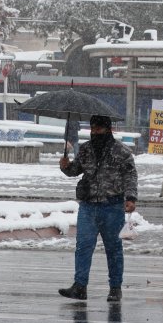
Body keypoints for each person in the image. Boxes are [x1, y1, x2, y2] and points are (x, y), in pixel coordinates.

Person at [58, 114, 138, 302]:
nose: (95, 132)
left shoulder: (121, 151)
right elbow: (74, 170)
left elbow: (130, 176)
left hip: (112, 206)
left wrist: (131, 197)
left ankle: (115, 288)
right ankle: (79, 286)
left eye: (98, 129)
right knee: (83, 247)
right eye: (92, 129)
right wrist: (65, 166)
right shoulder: (86, 150)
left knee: (113, 249)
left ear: (108, 129)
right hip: (88, 206)